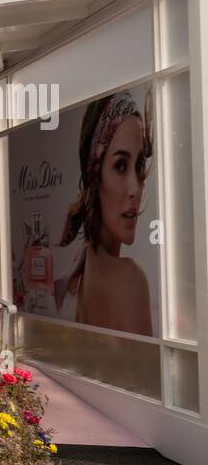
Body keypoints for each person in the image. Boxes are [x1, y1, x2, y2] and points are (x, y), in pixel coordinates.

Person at [56, 90, 154, 336]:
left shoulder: (80, 274)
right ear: (94, 176)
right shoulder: (130, 280)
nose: (135, 188)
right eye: (120, 165)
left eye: (139, 166)